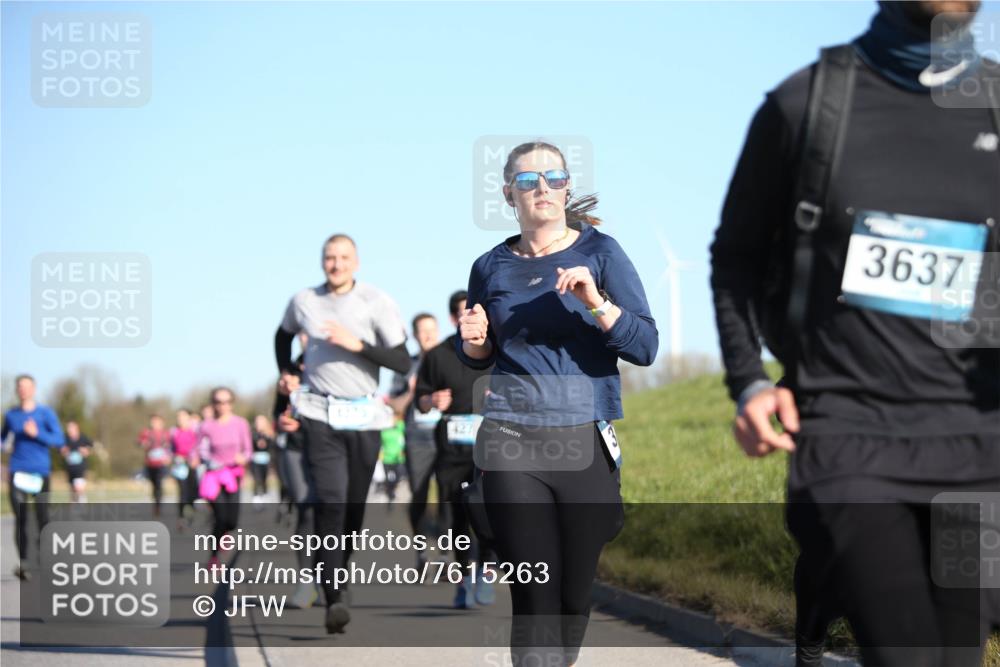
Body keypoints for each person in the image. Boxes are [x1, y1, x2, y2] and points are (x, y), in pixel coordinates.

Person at [710, 3, 999, 665]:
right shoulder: (806, 105)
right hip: (849, 442)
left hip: (981, 455)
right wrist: (748, 380)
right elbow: (737, 256)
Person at [457, 142, 658, 666]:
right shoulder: (489, 267)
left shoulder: (603, 253)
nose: (541, 188)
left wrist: (597, 303)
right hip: (510, 438)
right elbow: (482, 355)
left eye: (553, 177)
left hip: (582, 437)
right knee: (535, 595)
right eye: (527, 181)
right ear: (508, 194)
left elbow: (645, 347)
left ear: (567, 186)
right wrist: (474, 341)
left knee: (572, 594)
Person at [274, 233, 411, 633]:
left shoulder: (377, 302)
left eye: (343, 257)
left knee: (352, 509)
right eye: (329, 258)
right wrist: (286, 371)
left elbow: (401, 361)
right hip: (319, 411)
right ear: (321, 262)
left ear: (357, 262)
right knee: (330, 501)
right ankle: (333, 595)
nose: (336, 264)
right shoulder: (304, 301)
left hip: (365, 416)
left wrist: (357, 344)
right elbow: (281, 336)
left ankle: (339, 571)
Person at [415, 290, 495, 609]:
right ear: (453, 319)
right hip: (452, 449)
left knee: (491, 512)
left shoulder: (497, 350)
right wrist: (431, 401)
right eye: (465, 314)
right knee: (459, 517)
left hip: (491, 445)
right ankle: (464, 580)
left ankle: (487, 572)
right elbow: (420, 400)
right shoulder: (437, 355)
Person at [387, 312, 445, 567]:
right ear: (414, 335)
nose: (429, 335)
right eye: (423, 331)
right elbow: (394, 406)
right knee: (419, 494)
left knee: (449, 496)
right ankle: (421, 550)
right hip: (417, 437)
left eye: (432, 329)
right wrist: (412, 393)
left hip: (447, 436)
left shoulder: (450, 361)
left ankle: (445, 554)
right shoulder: (406, 367)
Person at [2, 375, 65, 580]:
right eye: (19, 387)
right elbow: (3, 440)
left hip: (40, 472)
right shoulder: (11, 415)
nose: (23, 390)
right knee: (20, 518)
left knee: (42, 518)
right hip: (18, 471)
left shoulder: (45, 413)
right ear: (16, 390)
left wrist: (37, 433)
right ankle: (24, 563)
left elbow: (58, 439)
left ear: (34, 389)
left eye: (26, 387)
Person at [196, 387, 252, 568]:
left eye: (227, 402)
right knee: (220, 516)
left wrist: (243, 458)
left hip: (234, 475)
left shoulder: (240, 423)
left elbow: (248, 450)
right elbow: (198, 449)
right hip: (213, 476)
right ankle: (213, 558)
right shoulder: (206, 426)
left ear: (232, 404)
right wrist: (205, 460)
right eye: (218, 402)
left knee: (232, 521)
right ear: (213, 404)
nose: (223, 406)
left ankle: (226, 532)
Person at [170, 408, 200, 529]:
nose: (180, 419)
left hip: (192, 464)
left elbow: (199, 446)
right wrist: (174, 457)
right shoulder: (174, 432)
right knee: (182, 492)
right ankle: (181, 517)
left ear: (189, 417)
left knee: (192, 492)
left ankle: (191, 515)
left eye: (183, 416)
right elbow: (170, 449)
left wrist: (195, 458)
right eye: (178, 416)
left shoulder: (195, 430)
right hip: (179, 465)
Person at [138, 414, 172, 517]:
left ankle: (158, 506)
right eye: (152, 421)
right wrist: (144, 444)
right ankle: (156, 502)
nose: (154, 424)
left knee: (159, 484)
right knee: (153, 485)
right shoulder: (146, 432)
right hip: (150, 463)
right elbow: (139, 442)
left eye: (156, 421)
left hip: (161, 464)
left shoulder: (166, 434)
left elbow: (171, 447)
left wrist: (168, 456)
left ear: (161, 422)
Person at [61, 420, 92, 504]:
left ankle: (82, 504)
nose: (69, 430)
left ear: (76, 428)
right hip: (70, 468)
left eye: (71, 427)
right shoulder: (65, 439)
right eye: (68, 428)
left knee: (78, 487)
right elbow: (61, 450)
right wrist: (64, 451)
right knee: (72, 489)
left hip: (80, 467)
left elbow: (89, 448)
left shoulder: (83, 438)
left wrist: (85, 451)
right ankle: (74, 505)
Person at [251, 415, 275, 509]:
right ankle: (256, 498)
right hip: (255, 460)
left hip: (266, 460)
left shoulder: (269, 434)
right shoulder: (252, 434)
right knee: (257, 479)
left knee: (265, 479)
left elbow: (271, 446)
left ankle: (265, 495)